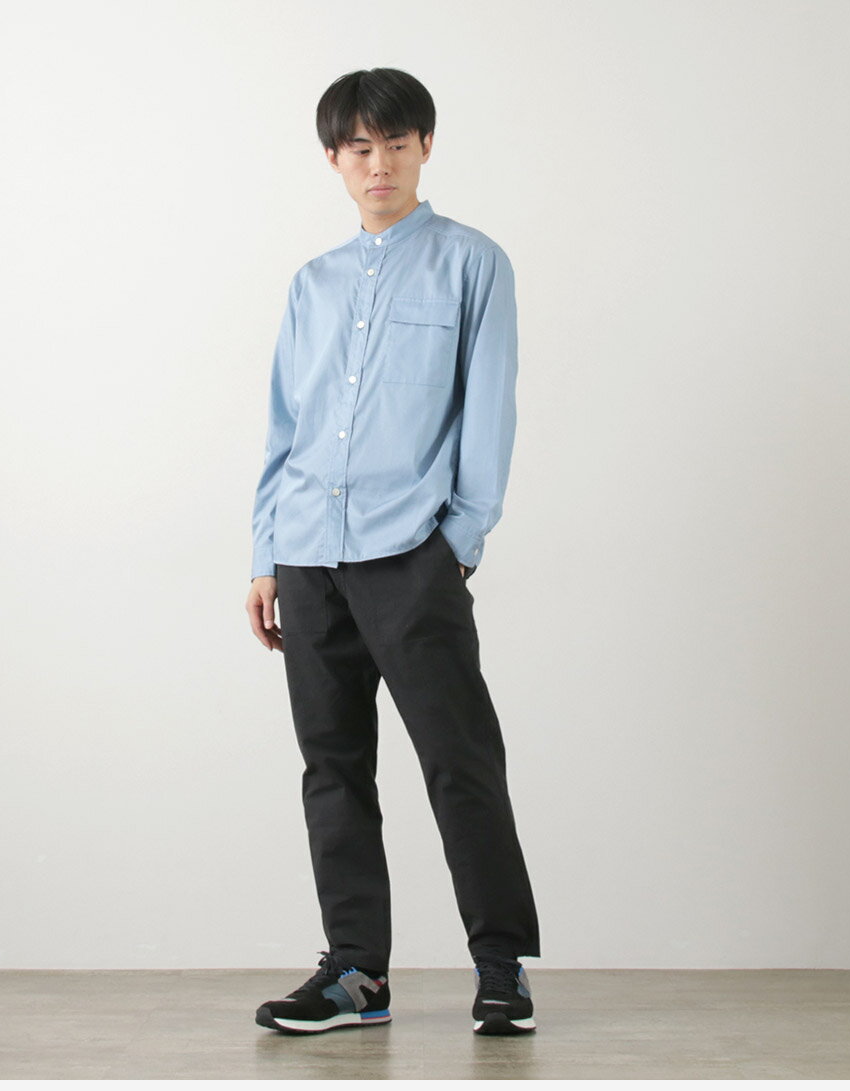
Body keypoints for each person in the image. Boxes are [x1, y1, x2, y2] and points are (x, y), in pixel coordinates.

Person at [245, 67, 539, 1037]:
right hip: (308, 554)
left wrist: (455, 543)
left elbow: (488, 410)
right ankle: (355, 975)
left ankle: (501, 968)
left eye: (397, 144)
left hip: (412, 552)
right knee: (332, 768)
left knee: (460, 761)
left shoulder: (472, 264)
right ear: (334, 158)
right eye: (360, 148)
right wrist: (266, 553)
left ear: (425, 148)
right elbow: (286, 423)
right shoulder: (313, 283)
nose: (380, 164)